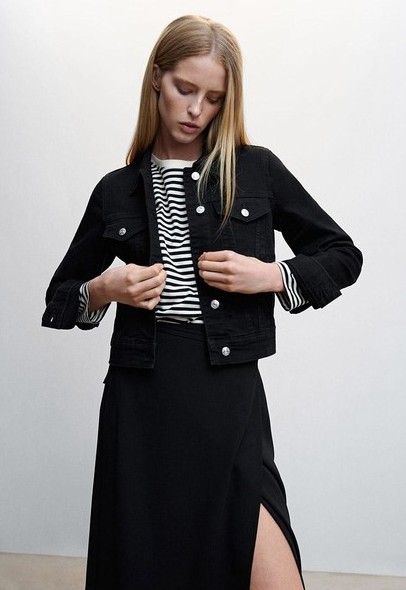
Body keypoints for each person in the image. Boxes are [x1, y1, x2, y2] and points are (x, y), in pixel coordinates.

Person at [42, 14, 362, 590]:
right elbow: (59, 299)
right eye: (184, 89)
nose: (196, 109)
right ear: (156, 78)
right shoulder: (116, 189)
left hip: (229, 394)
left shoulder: (256, 170)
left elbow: (343, 254)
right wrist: (105, 289)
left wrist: (270, 275)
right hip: (142, 399)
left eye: (213, 99)